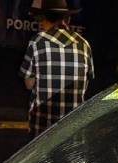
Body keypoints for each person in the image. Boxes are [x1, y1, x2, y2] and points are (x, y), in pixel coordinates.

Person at [20, 0, 94, 138]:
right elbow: (85, 85)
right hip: (73, 129)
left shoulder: (37, 41)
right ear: (67, 19)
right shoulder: (84, 44)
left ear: (44, 19)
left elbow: (29, 84)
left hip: (42, 129)